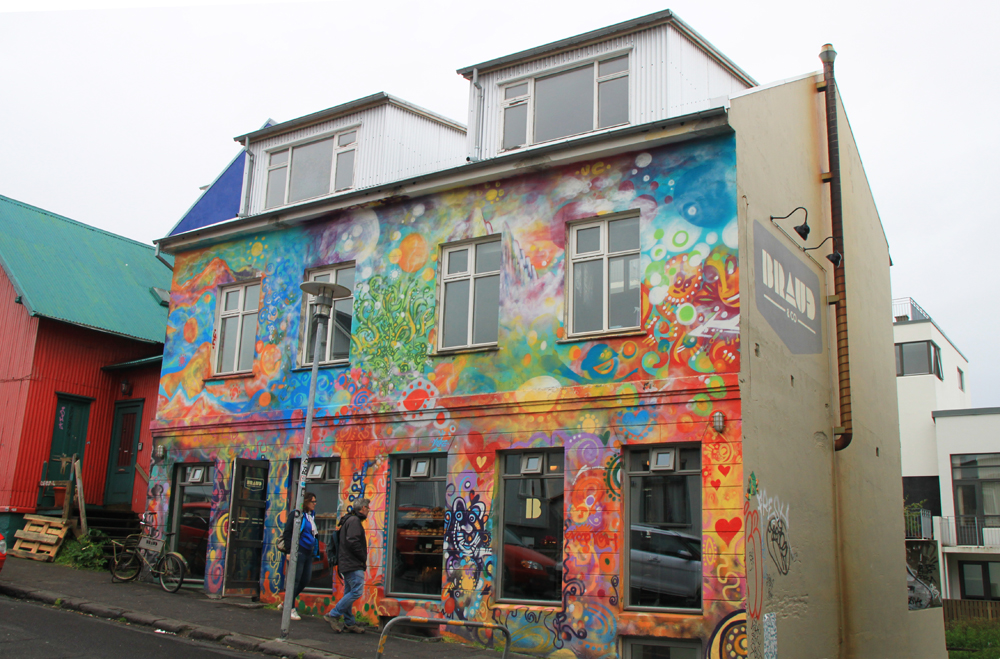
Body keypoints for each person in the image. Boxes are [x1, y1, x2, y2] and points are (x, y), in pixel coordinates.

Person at [325, 498, 370, 633]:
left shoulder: (348, 520)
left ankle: (349, 622)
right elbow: (353, 541)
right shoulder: (354, 521)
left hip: (347, 562)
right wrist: (362, 557)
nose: (369, 510)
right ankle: (333, 614)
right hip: (353, 563)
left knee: (349, 592)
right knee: (356, 591)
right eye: (368, 508)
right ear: (362, 508)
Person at [280, 492, 319, 621]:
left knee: (305, 579)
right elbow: (287, 533)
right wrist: (288, 551)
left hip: (308, 552)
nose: (315, 504)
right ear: (306, 501)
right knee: (295, 580)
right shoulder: (297, 515)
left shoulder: (310, 516)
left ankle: (286, 602)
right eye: (313, 501)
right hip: (299, 550)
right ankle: (290, 608)